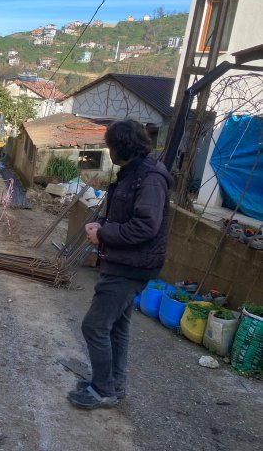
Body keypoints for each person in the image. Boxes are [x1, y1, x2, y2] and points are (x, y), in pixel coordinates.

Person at [67, 119, 173, 410]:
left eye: (110, 145)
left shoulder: (149, 178)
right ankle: (114, 384)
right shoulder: (133, 174)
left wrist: (103, 234)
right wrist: (102, 224)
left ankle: (103, 390)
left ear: (120, 147)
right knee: (117, 327)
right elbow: (125, 215)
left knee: (95, 325)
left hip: (131, 266)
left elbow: (145, 226)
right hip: (125, 261)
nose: (109, 151)